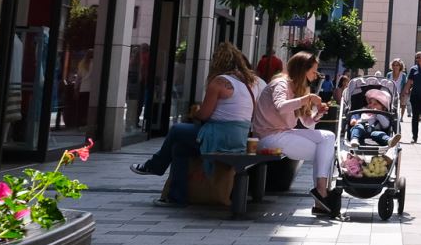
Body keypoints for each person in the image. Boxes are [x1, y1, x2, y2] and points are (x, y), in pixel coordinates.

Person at [131, 42, 262, 208]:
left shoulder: (220, 82)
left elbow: (204, 114)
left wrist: (194, 113)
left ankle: (155, 166)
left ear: (218, 62)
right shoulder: (249, 84)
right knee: (179, 149)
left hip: (219, 136)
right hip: (239, 138)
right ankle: (175, 197)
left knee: (177, 129)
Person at [256, 51, 341, 218]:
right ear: (303, 69)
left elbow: (308, 123)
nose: (316, 75)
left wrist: (318, 114)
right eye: (314, 71)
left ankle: (320, 195)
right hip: (268, 137)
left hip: (282, 133)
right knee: (323, 151)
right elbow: (281, 106)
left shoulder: (299, 88)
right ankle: (321, 194)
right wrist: (306, 99)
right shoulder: (280, 84)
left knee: (328, 138)